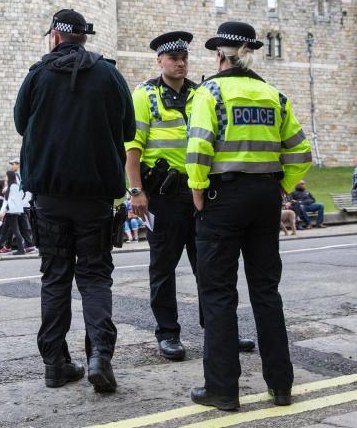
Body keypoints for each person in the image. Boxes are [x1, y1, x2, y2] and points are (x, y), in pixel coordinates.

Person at [185, 20, 311, 410]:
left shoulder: (210, 92)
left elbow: (199, 148)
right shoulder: (274, 95)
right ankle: (281, 385)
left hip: (223, 196)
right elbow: (300, 153)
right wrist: (282, 185)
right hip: (265, 196)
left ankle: (222, 388)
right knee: (266, 292)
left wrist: (197, 191)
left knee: (219, 293)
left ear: (219, 54)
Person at [14, 8, 135, 393]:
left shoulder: (36, 76)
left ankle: (55, 363)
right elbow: (128, 128)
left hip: (49, 195)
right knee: (96, 276)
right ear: (84, 37)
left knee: (55, 277)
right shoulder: (110, 75)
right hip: (96, 196)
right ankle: (100, 354)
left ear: (55, 37)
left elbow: (20, 122)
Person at [126, 30, 256, 361]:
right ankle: (168, 334)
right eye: (173, 58)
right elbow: (132, 147)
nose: (180, 63)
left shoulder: (201, 93)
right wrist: (136, 190)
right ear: (160, 61)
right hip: (163, 195)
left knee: (210, 267)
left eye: (184, 58)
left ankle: (219, 330)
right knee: (163, 268)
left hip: (200, 191)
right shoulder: (145, 95)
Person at [0, 170, 28, 255]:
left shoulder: (13, 186)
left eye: (6, 176)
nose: (5, 178)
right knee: (5, 230)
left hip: (11, 211)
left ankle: (21, 249)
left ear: (9, 177)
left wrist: (5, 210)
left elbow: (13, 200)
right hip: (10, 211)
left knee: (15, 231)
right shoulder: (12, 186)